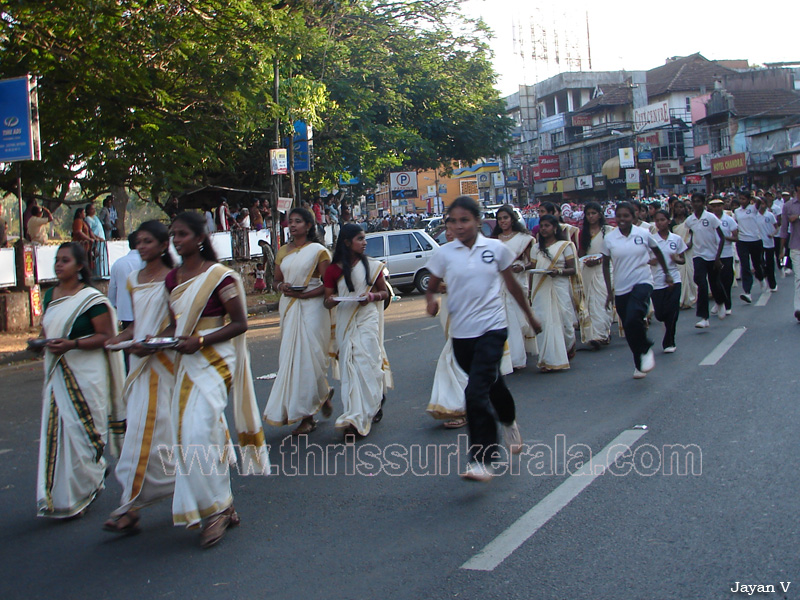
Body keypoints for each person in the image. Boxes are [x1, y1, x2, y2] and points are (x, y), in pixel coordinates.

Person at [163, 211, 268, 548]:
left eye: (182, 234)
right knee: (193, 434)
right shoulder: (173, 279)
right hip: (186, 360)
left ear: (199, 237)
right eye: (173, 235)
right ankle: (222, 507)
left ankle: (216, 511)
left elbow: (239, 323)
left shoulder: (219, 277)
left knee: (196, 430)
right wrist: (150, 343)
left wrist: (202, 341)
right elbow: (174, 325)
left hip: (215, 358)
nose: (176, 240)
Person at [425, 196, 542, 482]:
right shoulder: (444, 253)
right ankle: (509, 419)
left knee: (475, 392)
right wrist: (431, 300)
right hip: (462, 336)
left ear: (478, 221)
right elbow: (431, 283)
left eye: (464, 220)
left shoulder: (495, 249)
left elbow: (512, 286)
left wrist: (530, 316)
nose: (458, 226)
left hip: (492, 329)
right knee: (493, 385)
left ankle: (483, 458)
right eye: (452, 221)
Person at [30, 242, 125, 518]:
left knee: (86, 434)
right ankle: (61, 497)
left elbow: (106, 337)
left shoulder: (92, 300)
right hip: (59, 372)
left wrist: (71, 345)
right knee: (59, 434)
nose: (59, 265)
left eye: (65, 260)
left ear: (80, 266)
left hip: (87, 374)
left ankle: (91, 479)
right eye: (57, 260)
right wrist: (41, 344)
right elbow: (49, 330)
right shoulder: (50, 296)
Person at [102, 221, 175, 534]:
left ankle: (197, 493)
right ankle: (130, 505)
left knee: (169, 432)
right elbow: (133, 324)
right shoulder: (133, 279)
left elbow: (177, 325)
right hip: (139, 365)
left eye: (148, 241)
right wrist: (119, 340)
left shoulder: (174, 279)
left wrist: (154, 343)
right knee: (136, 438)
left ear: (162, 245)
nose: (142, 247)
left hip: (165, 364)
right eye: (139, 242)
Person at [264, 208, 334, 435]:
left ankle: (308, 417)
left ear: (308, 225)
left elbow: (329, 284)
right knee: (293, 361)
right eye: (290, 222)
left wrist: (307, 295)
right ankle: (320, 396)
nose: (292, 225)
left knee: (310, 358)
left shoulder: (319, 251)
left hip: (312, 308)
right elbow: (275, 281)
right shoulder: (283, 251)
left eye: (297, 221)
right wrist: (281, 287)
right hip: (290, 307)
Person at [323, 223, 393, 438]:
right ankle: (354, 416)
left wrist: (371, 297)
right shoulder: (333, 270)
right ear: (347, 242)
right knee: (350, 365)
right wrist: (333, 300)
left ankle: (371, 405)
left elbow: (385, 293)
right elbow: (327, 301)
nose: (364, 243)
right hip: (345, 318)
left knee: (367, 362)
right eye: (360, 239)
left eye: (364, 239)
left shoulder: (372, 267)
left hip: (367, 318)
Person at [601, 202, 672, 379]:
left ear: (634, 217)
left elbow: (658, 251)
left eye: (626, 216)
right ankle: (639, 363)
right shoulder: (610, 238)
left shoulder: (643, 234)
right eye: (619, 216)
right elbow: (605, 264)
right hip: (621, 286)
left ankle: (646, 346)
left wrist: (667, 273)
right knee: (630, 326)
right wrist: (609, 291)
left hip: (642, 281)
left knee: (634, 316)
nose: (622, 219)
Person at [530, 214, 587, 371]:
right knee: (544, 322)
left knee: (565, 322)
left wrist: (559, 272)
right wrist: (529, 292)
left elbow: (573, 269)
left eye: (547, 226)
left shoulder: (565, 246)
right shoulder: (536, 248)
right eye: (541, 226)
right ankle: (547, 360)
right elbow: (533, 268)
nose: (543, 229)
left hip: (559, 286)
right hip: (540, 289)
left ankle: (568, 347)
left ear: (555, 228)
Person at [491, 205, 537, 369]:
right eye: (500, 219)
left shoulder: (524, 239)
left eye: (505, 218)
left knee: (518, 320)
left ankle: (517, 357)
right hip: (499, 283)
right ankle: (511, 358)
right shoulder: (494, 240)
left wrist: (522, 267)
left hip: (517, 281)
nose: (502, 221)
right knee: (504, 320)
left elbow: (532, 262)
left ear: (512, 219)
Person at [685, 193, 726, 328]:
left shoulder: (710, 217)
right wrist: (688, 245)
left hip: (712, 255)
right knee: (701, 283)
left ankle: (720, 302)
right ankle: (703, 317)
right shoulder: (690, 220)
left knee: (715, 283)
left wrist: (718, 257)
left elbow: (721, 237)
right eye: (693, 202)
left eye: (698, 201)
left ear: (703, 203)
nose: (696, 204)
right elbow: (690, 235)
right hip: (698, 255)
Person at [649, 210, 687, 353]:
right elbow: (643, 258)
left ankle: (669, 341)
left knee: (672, 310)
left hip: (674, 279)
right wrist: (650, 261)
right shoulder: (651, 239)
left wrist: (677, 259)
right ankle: (667, 325)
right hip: (657, 281)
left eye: (662, 220)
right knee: (660, 314)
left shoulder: (676, 239)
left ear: (668, 221)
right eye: (657, 220)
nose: (660, 223)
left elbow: (682, 259)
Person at [578, 201, 614, 347]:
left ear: (600, 215)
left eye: (594, 213)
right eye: (588, 214)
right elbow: (581, 252)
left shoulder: (608, 230)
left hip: (603, 269)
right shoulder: (583, 232)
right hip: (588, 269)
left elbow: (612, 250)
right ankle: (593, 334)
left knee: (602, 298)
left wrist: (600, 259)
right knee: (590, 301)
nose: (591, 217)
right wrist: (585, 260)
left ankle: (603, 333)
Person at [708, 198, 738, 316]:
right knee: (714, 281)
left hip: (726, 253)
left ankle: (727, 304)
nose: (716, 208)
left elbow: (736, 237)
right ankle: (718, 302)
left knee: (726, 280)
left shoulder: (728, 220)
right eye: (714, 206)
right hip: (712, 254)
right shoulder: (709, 219)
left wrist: (725, 238)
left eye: (719, 206)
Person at [734, 191, 765, 303]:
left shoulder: (753, 208)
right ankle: (747, 292)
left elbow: (760, 201)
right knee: (745, 265)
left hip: (755, 240)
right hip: (742, 241)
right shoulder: (737, 211)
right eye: (740, 199)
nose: (742, 201)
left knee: (757, 263)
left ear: (748, 199)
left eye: (744, 199)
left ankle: (761, 278)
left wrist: (754, 196)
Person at [108, 232, 144, 330]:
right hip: (145, 312)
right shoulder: (146, 262)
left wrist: (113, 305)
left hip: (125, 311)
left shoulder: (119, 263)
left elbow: (112, 287)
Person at [778, 178, 800, 321]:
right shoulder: (788, 206)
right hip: (796, 246)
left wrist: (797, 217)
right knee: (799, 278)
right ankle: (798, 308)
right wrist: (781, 250)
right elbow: (784, 229)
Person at [671, 200, 697, 309]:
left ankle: (690, 298)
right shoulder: (672, 223)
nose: (680, 209)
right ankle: (680, 300)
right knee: (680, 275)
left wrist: (687, 245)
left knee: (691, 273)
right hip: (677, 250)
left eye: (682, 207)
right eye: (677, 207)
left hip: (689, 249)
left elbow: (692, 234)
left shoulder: (689, 221)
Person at [756, 197, 778, 293]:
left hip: (769, 243)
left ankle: (772, 284)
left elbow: (777, 227)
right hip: (758, 242)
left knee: (770, 264)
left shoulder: (770, 215)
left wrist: (773, 234)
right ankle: (762, 277)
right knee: (759, 263)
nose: (762, 205)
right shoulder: (755, 215)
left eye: (764, 203)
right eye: (761, 203)